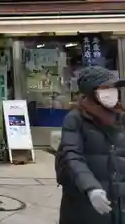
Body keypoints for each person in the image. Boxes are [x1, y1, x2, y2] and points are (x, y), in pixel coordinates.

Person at [57, 66, 125, 224]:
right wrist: (91, 188)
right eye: (106, 87)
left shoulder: (120, 117)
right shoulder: (76, 119)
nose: (112, 92)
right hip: (85, 203)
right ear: (92, 92)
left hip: (119, 204)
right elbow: (72, 156)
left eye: (114, 87)